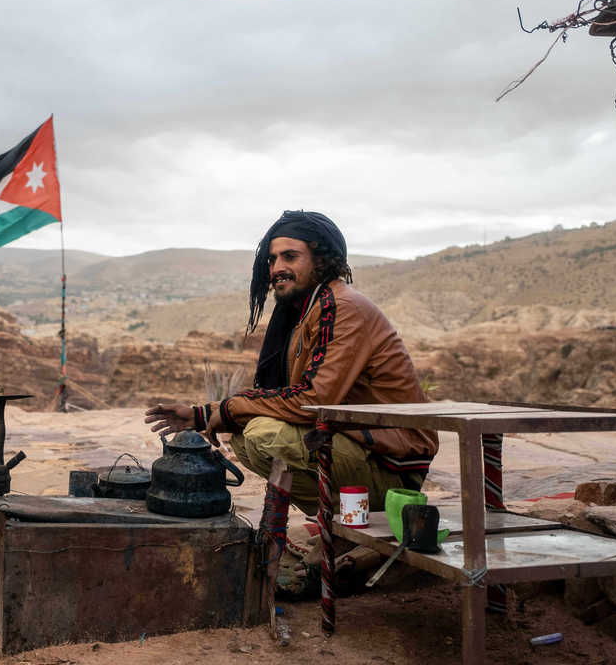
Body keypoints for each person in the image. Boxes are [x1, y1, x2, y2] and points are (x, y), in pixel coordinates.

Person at [145, 210, 438, 516]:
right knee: (245, 438)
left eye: (290, 257)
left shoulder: (342, 307)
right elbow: (283, 398)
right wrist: (203, 414)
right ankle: (343, 521)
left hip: (390, 464)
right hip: (358, 447)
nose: (277, 268)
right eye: (272, 260)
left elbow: (313, 400)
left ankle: (357, 518)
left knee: (262, 435)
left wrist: (229, 408)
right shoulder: (306, 313)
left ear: (321, 261)